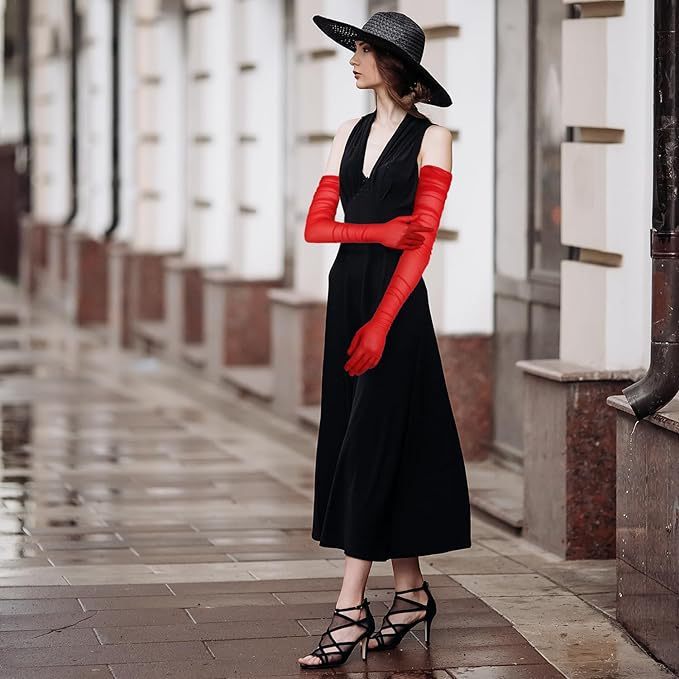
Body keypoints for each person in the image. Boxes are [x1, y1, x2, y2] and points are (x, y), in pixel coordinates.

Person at [298, 11, 472, 669]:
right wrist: (375, 233)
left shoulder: (436, 139)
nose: (350, 60)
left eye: (362, 51)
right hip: (348, 294)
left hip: (395, 306)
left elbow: (420, 241)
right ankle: (409, 591)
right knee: (364, 433)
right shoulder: (343, 133)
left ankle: (349, 607)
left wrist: (380, 322)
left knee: (371, 439)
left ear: (393, 66)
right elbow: (317, 228)